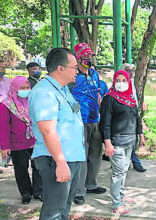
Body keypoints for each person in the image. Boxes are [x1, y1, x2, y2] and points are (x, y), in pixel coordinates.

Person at [29, 48, 86, 219]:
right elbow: (47, 130)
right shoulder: (44, 92)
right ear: (60, 68)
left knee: (63, 209)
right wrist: (60, 162)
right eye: (74, 67)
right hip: (55, 159)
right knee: (54, 211)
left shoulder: (62, 89)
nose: (77, 71)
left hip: (72, 157)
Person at [100, 70, 145, 214]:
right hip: (116, 142)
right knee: (118, 173)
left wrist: (141, 135)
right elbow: (105, 122)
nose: (121, 83)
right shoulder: (109, 98)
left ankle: (121, 195)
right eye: (117, 80)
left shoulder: (131, 97)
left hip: (130, 141)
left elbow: (136, 117)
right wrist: (107, 142)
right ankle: (116, 204)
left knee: (124, 171)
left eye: (123, 80)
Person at [71, 43, 106, 205]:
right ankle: (78, 191)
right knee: (81, 156)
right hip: (79, 121)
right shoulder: (72, 76)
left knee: (95, 153)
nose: (88, 59)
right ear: (78, 57)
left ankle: (91, 184)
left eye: (90, 56)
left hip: (95, 119)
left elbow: (100, 91)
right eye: (84, 56)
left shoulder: (93, 73)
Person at [0, 76, 42, 204]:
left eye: (27, 88)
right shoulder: (5, 105)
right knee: (21, 168)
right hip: (17, 143)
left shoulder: (33, 101)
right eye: (22, 88)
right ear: (14, 89)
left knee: (39, 167)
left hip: (35, 141)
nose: (25, 90)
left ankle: (38, 191)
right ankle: (25, 193)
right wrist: (4, 147)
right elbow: (3, 128)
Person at [121, 63, 147, 172]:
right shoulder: (120, 84)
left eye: (132, 70)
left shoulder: (131, 83)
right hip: (123, 116)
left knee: (133, 139)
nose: (131, 73)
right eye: (128, 70)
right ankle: (134, 161)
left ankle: (132, 160)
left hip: (133, 113)